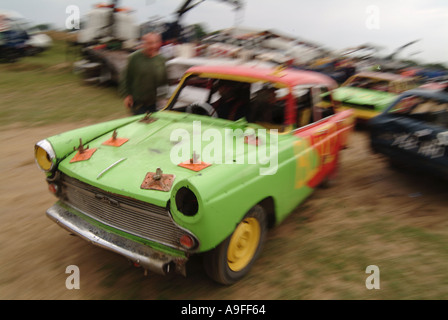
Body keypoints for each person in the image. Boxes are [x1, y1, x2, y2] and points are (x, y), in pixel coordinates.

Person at [120, 33, 168, 115]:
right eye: (150, 43)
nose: (153, 46)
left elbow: (164, 80)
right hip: (138, 104)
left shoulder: (161, 60)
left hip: (156, 104)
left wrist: (164, 98)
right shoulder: (134, 58)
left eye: (155, 42)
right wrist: (127, 95)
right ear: (143, 44)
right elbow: (126, 77)